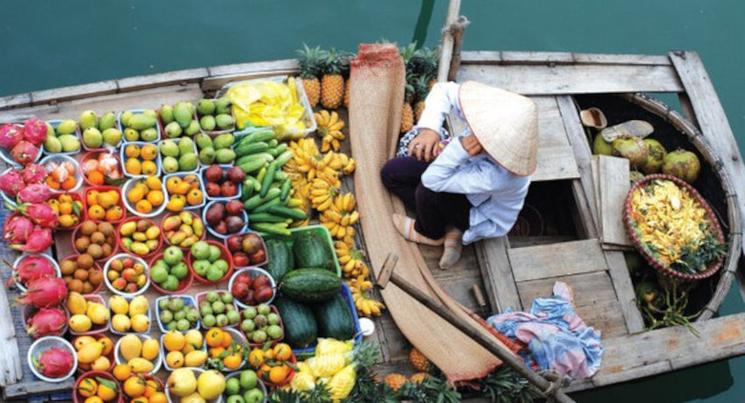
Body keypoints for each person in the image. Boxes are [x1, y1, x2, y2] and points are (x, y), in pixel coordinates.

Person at [381, 80, 538, 268]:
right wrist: (430, 130)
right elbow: (443, 90)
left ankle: (431, 232)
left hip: (477, 210)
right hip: (462, 172)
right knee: (391, 173)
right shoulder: (492, 113)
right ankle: (446, 223)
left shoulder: (502, 175)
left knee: (426, 191)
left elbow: (432, 180)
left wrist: (460, 149)